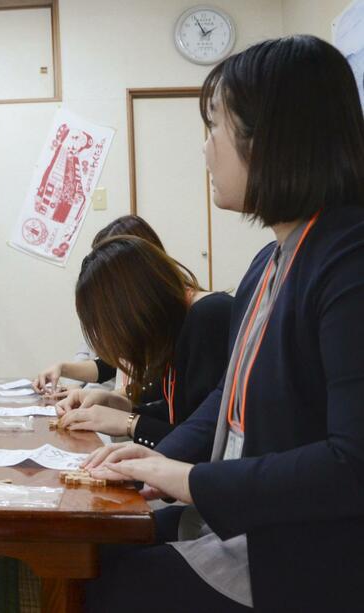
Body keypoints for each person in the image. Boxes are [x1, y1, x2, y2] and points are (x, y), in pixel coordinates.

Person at [83, 35, 364, 612]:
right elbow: (224, 400)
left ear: (273, 139)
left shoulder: (348, 259)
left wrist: (185, 479)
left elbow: (351, 464)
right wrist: (152, 460)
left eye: (214, 126)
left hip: (300, 554)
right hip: (245, 525)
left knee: (108, 586)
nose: (206, 148)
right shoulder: (270, 261)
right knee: (97, 547)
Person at [54, 236, 232, 448]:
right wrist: (119, 406)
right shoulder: (179, 321)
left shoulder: (209, 317)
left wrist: (130, 423)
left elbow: (207, 443)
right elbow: (178, 413)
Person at [33, 215, 165, 394]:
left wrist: (99, 397)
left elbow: (155, 391)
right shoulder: (129, 312)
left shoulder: (164, 314)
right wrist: (63, 369)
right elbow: (110, 365)